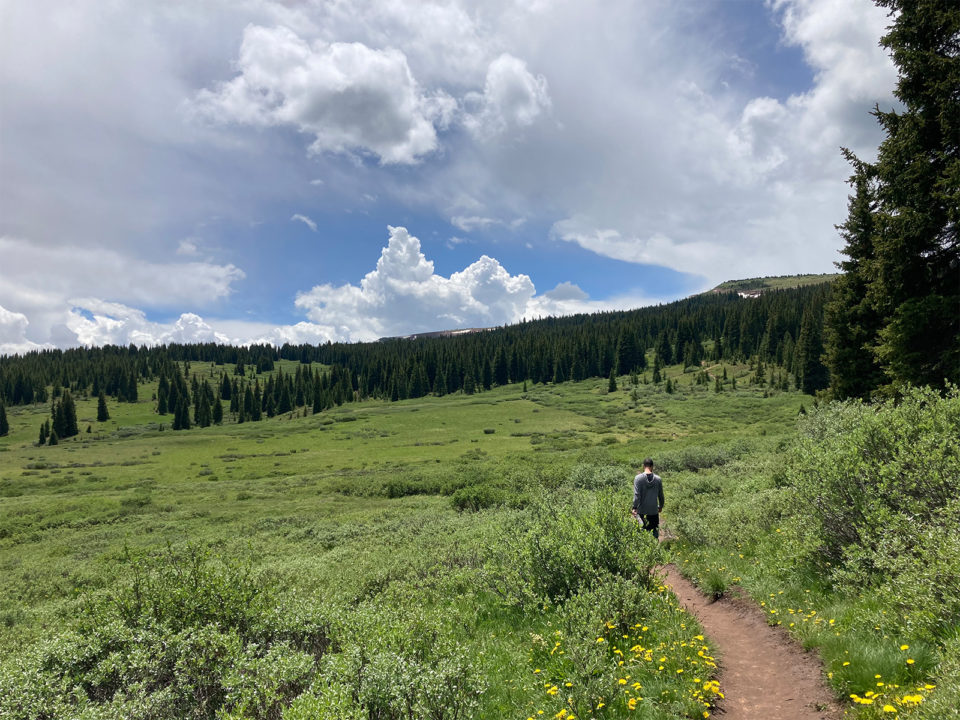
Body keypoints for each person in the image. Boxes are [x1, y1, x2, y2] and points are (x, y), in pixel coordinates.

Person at [631, 458, 664, 539]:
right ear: (652, 466)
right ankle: (655, 550)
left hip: (642, 511)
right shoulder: (658, 479)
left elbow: (636, 495)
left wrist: (634, 507)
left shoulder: (638, 478)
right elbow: (661, 495)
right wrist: (660, 506)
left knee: (642, 533)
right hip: (654, 511)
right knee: (654, 533)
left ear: (643, 466)